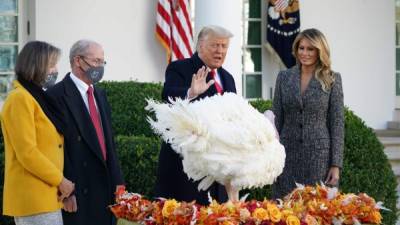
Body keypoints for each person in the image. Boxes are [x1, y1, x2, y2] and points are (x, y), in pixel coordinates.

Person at [155, 25, 237, 205]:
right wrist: (191, 93)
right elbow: (168, 95)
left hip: (218, 168)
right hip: (185, 169)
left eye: (224, 47)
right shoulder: (179, 68)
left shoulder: (228, 78)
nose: (220, 51)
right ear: (200, 46)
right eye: (215, 45)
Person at [47, 39, 124, 225]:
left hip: (105, 191)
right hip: (77, 191)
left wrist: (119, 183)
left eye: (102, 62)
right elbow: (57, 149)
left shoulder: (100, 94)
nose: (100, 67)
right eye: (96, 61)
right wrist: (66, 191)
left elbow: (108, 144)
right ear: (78, 61)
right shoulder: (56, 96)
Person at [1, 41, 74, 225]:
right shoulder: (19, 99)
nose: (55, 70)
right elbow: (27, 152)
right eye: (51, 65)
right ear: (36, 65)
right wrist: (61, 181)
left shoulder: (37, 96)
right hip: (33, 198)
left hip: (47, 197)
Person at [271, 28, 344, 199]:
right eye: (301, 48)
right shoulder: (284, 77)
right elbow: (276, 120)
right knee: (284, 210)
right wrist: (272, 158)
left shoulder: (332, 79)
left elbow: (337, 123)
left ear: (320, 51)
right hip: (286, 156)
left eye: (310, 49)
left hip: (319, 158)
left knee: (317, 210)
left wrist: (336, 165)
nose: (304, 53)